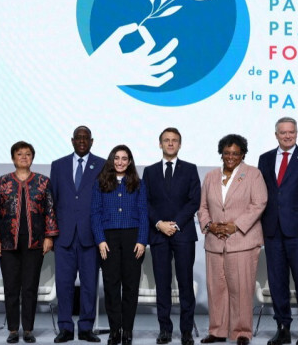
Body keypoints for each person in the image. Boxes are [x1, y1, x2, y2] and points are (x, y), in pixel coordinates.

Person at [0, 141, 58, 344]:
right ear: (13, 158)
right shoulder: (3, 182)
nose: (23, 157)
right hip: (8, 242)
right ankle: (14, 329)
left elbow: (50, 210)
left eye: (27, 154)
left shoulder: (43, 182)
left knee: (30, 287)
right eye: (19, 154)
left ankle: (29, 330)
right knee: (11, 287)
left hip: (35, 242)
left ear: (32, 158)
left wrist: (50, 237)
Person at [198, 134, 268, 345]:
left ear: (243, 154)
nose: (230, 157)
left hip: (242, 241)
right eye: (227, 153)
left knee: (241, 289)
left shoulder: (253, 175)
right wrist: (210, 225)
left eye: (235, 153)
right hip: (215, 242)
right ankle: (217, 331)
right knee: (216, 289)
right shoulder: (210, 176)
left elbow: (259, 203)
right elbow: (202, 207)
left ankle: (241, 332)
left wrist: (234, 226)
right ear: (221, 153)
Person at [258, 117, 298, 345]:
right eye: (283, 132)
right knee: (277, 282)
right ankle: (283, 327)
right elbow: (262, 194)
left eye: (291, 132)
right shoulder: (264, 159)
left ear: (297, 133)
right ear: (276, 134)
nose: (287, 136)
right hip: (273, 230)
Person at [142, 128, 201, 345]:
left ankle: (186, 331)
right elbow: (145, 201)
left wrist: (174, 225)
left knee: (185, 284)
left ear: (180, 144)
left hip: (183, 234)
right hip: (158, 235)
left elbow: (194, 200)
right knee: (163, 284)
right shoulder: (149, 172)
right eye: (166, 140)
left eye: (174, 140)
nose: (170, 143)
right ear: (160, 144)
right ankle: (165, 330)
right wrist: (159, 224)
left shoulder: (190, 169)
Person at [50, 126, 104, 343]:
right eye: (78, 138)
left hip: (90, 237)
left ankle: (85, 328)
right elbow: (52, 201)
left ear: (92, 141)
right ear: (72, 141)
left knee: (90, 285)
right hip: (64, 237)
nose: (82, 141)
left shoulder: (101, 165)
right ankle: (65, 327)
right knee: (64, 285)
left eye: (86, 138)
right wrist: (51, 234)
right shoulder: (58, 165)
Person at [91, 145, 149, 345]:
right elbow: (95, 214)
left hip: (133, 239)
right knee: (111, 286)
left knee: (131, 287)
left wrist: (142, 240)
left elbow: (143, 214)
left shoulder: (138, 184)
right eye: (117, 158)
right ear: (111, 160)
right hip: (108, 240)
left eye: (125, 158)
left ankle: (128, 331)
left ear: (130, 161)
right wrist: (100, 240)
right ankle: (114, 330)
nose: (120, 162)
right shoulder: (100, 183)